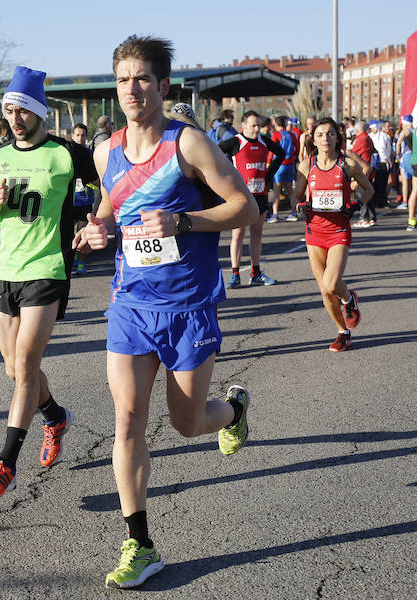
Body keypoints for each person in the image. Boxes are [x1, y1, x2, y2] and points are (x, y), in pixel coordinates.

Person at [74, 35, 258, 589]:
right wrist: (98, 228)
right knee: (127, 420)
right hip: (131, 303)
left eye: (143, 79)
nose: (132, 89)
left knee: (185, 424)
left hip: (189, 306)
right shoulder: (106, 152)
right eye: (123, 78)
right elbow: (110, 204)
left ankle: (232, 412)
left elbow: (244, 206)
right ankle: (140, 543)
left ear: (162, 86)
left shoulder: (190, 145)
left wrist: (184, 222)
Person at [0, 65, 97, 498]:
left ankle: (5, 464)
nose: (15, 117)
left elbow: (110, 185)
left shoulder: (65, 154)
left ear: (38, 112)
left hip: (48, 269)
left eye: (23, 109)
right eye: (9, 109)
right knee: (14, 369)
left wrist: (95, 221)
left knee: (25, 365)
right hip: (6, 270)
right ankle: (55, 416)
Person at [293, 117, 373, 352]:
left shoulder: (346, 164)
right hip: (314, 232)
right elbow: (295, 197)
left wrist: (355, 205)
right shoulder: (307, 165)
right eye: (320, 134)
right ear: (313, 139)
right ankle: (342, 332)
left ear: (337, 137)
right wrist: (300, 207)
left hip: (338, 231)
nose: (325, 138)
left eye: (329, 134)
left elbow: (368, 189)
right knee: (325, 291)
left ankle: (349, 299)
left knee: (331, 283)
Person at [219, 111, 285, 287]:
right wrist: (228, 177)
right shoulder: (236, 141)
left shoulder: (264, 140)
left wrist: (269, 175)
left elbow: (281, 154)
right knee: (238, 234)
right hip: (241, 197)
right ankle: (235, 275)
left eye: (258, 125)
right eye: (253, 125)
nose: (257, 129)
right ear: (244, 126)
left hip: (261, 195)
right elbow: (215, 153)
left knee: (257, 233)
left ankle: (255, 273)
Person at [70, 122, 98, 275]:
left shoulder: (91, 154)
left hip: (85, 201)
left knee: (83, 233)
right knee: (68, 234)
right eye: (77, 135)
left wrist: (90, 183)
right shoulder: (67, 154)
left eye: (83, 135)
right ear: (72, 136)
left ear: (87, 137)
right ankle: (71, 257)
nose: (80, 138)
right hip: (70, 201)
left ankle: (81, 262)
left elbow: (97, 180)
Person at [268, 116, 300, 222]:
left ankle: (275, 215)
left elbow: (271, 149)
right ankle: (294, 213)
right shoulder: (292, 134)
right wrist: (293, 157)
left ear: (276, 124)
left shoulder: (276, 134)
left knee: (276, 191)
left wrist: (269, 163)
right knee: (291, 191)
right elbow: (297, 147)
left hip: (279, 165)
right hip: (290, 165)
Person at [395, 115, 415, 209]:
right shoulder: (415, 130)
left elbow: (398, 143)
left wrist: (398, 154)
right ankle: (413, 198)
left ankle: (405, 201)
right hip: (415, 156)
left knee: (405, 181)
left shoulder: (405, 131)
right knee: (414, 180)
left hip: (405, 156)